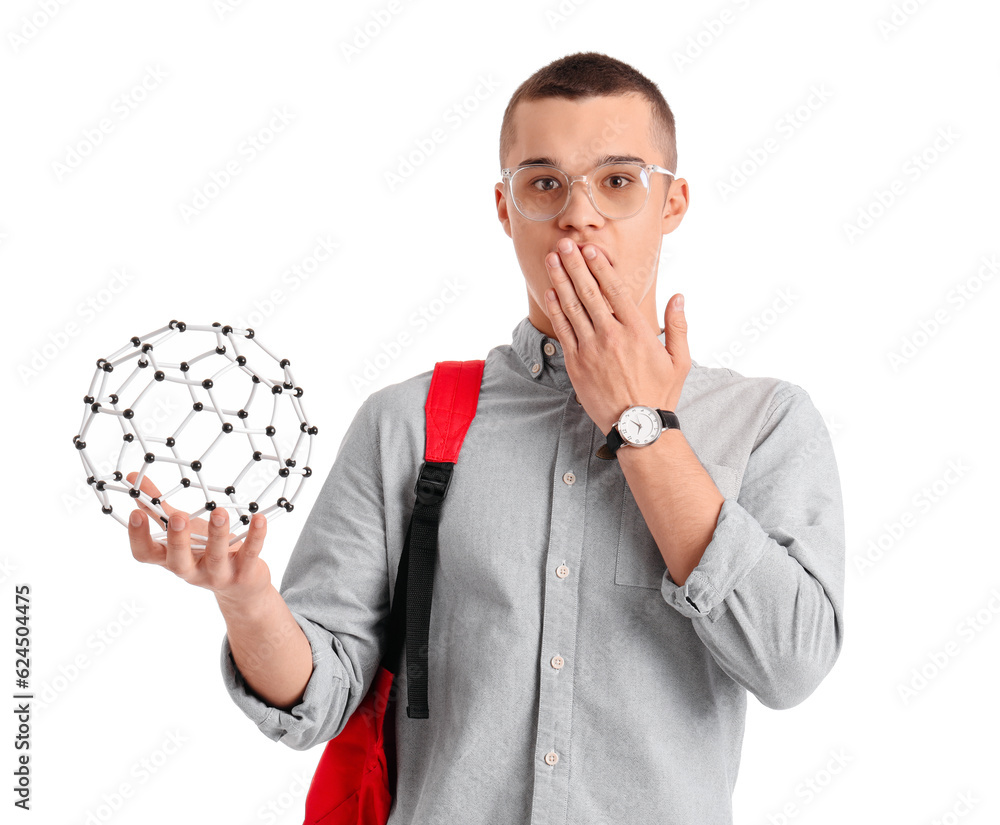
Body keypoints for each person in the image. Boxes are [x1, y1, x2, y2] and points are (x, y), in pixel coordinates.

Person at [126, 51, 845, 824]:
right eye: (544, 183)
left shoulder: (767, 422)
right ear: (506, 210)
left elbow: (791, 664)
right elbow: (320, 696)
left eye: (617, 180)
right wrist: (248, 599)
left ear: (672, 203)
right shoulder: (405, 422)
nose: (579, 214)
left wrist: (642, 425)